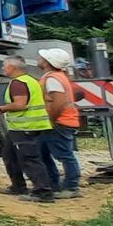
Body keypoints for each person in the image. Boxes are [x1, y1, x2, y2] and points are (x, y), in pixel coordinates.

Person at [0, 55, 55, 202]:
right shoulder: (31, 81)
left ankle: (43, 192)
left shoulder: (18, 83)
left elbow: (20, 105)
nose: (2, 68)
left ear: (11, 68)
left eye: (4, 66)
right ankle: (18, 186)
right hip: (22, 127)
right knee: (9, 154)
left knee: (29, 159)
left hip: (25, 127)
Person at [36, 47, 83, 199]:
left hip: (59, 122)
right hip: (60, 122)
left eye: (43, 58)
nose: (40, 59)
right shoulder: (57, 76)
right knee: (43, 153)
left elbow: (59, 102)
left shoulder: (52, 78)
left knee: (64, 155)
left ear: (48, 62)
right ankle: (52, 184)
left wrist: (50, 119)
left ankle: (71, 186)